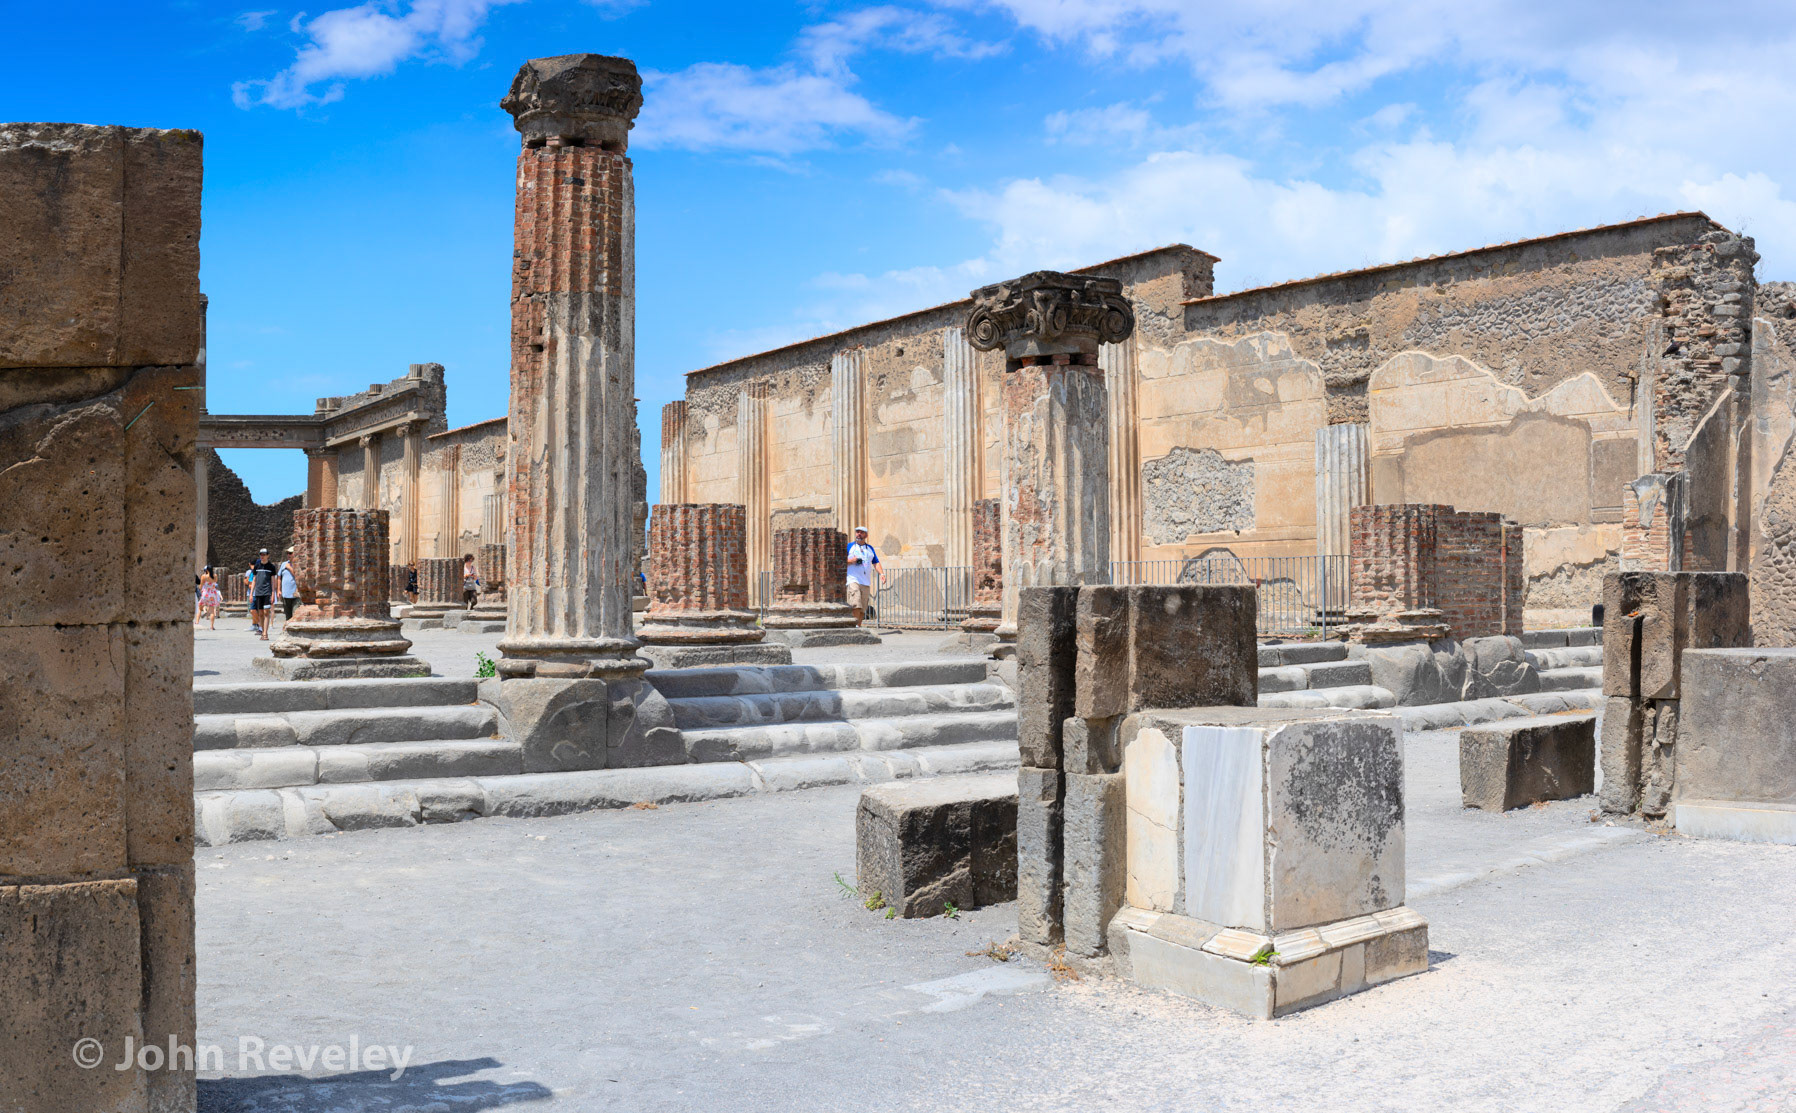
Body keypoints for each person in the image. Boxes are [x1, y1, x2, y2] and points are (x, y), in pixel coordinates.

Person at [845, 526, 886, 627]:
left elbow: (876, 562)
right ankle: (854, 626)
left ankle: (858, 626)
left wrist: (882, 574)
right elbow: (840, 560)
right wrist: (851, 560)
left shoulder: (870, 549)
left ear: (866, 535)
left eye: (861, 532)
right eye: (857, 532)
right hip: (853, 580)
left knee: (863, 608)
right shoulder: (849, 546)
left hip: (865, 582)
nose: (859, 534)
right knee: (856, 604)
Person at [247, 548, 278, 642]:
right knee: (260, 613)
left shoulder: (271, 567)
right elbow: (254, 580)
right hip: (258, 592)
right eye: (261, 554)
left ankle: (265, 633)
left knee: (266, 612)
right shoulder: (257, 566)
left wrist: (273, 594)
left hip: (267, 592)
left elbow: (273, 581)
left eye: (264, 554)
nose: (262, 556)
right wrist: (251, 594)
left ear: (268, 555)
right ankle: (262, 630)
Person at [277, 547, 301, 626]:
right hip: (285, 595)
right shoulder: (284, 564)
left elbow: (298, 577)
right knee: (288, 617)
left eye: (290, 553)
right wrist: (278, 590)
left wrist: (289, 568)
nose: (288, 555)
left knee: (295, 615)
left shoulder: (299, 565)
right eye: (287, 553)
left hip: (295, 595)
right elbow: (279, 577)